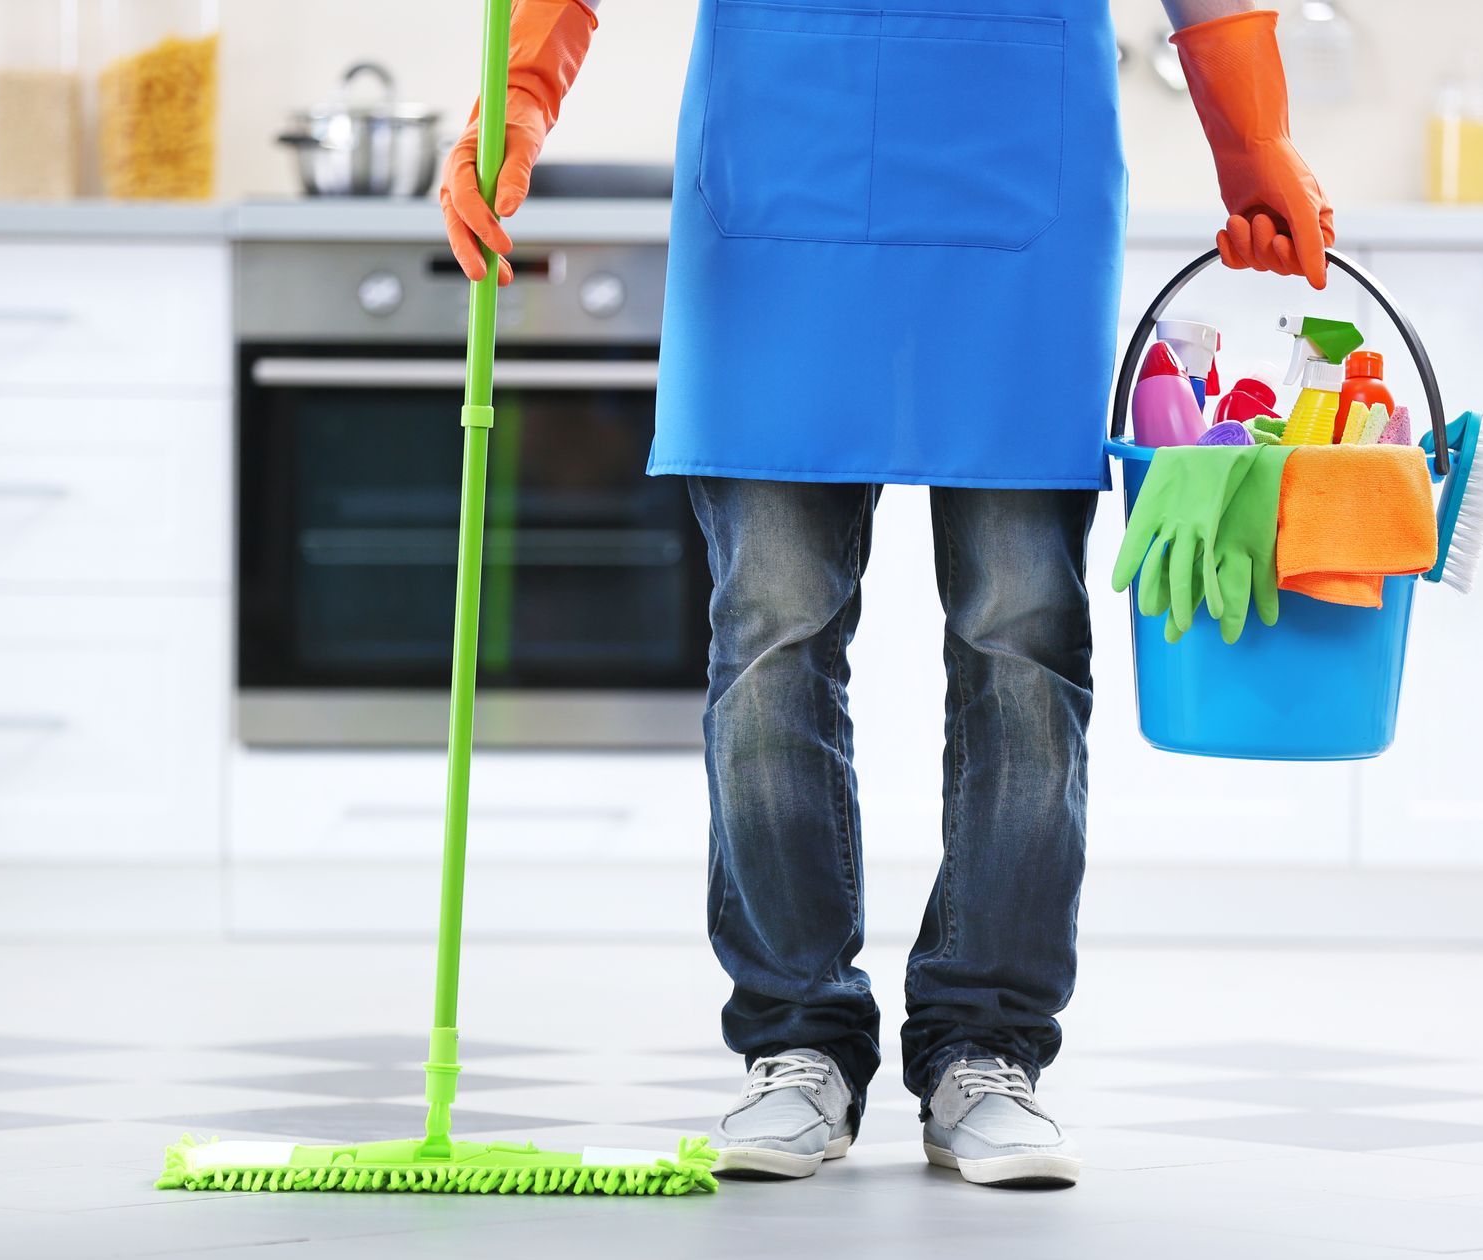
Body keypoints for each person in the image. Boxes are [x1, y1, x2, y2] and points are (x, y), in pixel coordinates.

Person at [441, 0, 1333, 1187]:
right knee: (771, 631)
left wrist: (1249, 128)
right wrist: (517, 96)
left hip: (1019, 157)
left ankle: (986, 1046)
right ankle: (797, 1037)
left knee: (1021, 629)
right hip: (776, 161)